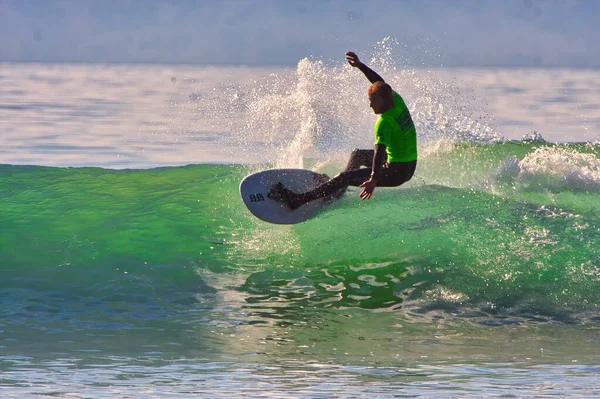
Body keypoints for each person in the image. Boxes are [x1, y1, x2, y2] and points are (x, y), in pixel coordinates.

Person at [269, 51, 417, 210]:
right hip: (407, 163)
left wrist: (373, 179)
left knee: (343, 177)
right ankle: (337, 190)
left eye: (372, 102)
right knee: (357, 155)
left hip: (396, 172)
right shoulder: (396, 101)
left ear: (382, 101)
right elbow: (379, 82)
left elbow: (379, 152)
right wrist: (360, 66)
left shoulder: (384, 122)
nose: (370, 106)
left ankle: (297, 201)